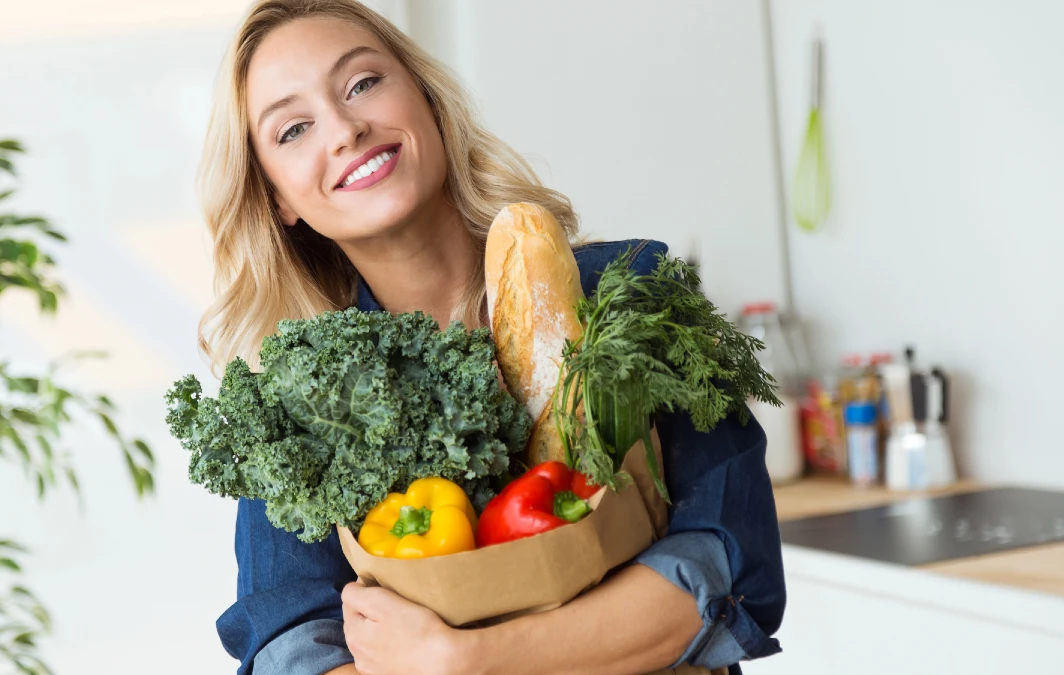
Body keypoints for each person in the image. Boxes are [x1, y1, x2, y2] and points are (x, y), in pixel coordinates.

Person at [195, 1, 785, 673]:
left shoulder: (629, 291)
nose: (345, 129)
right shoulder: (297, 408)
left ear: (425, 97)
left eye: (362, 84)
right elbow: (293, 648)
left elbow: (726, 573)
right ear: (279, 199)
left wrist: (467, 658)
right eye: (294, 128)